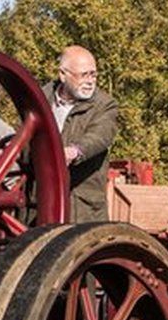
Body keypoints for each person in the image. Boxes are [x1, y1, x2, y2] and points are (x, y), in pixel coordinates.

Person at [42, 46, 119, 222]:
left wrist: (74, 151)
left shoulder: (105, 105)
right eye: (84, 75)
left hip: (81, 210)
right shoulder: (39, 99)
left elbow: (100, 136)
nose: (90, 81)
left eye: (93, 75)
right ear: (63, 75)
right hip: (41, 205)